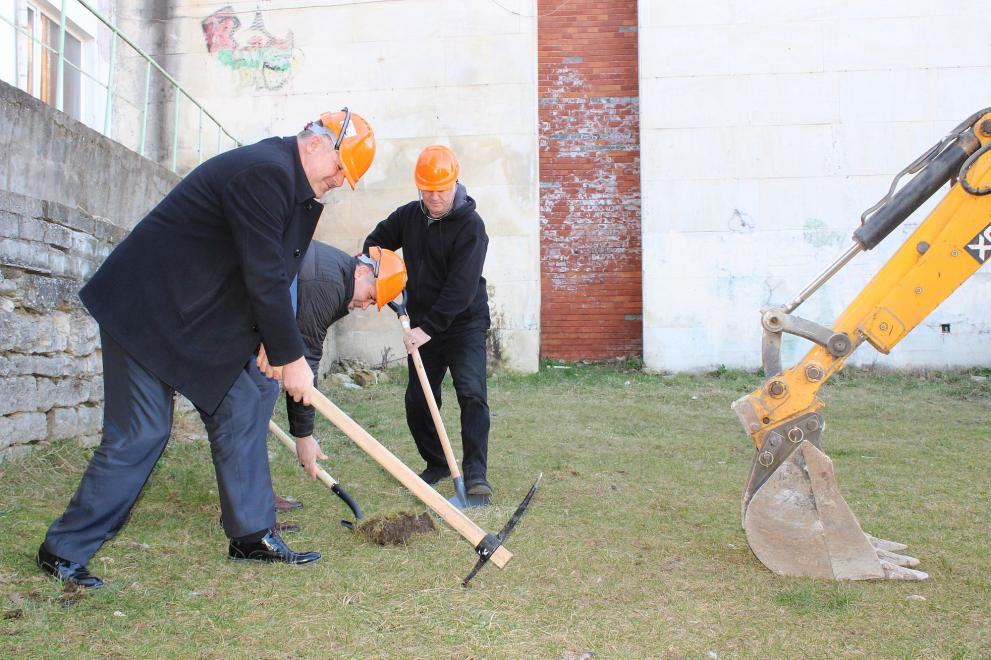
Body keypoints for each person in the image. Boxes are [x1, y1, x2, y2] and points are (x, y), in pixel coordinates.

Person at [36, 109, 376, 588]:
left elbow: (276, 272)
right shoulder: (265, 173)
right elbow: (262, 273)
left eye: (347, 177)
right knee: (143, 433)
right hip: (145, 310)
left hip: (193, 319)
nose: (339, 181)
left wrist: (270, 343)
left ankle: (252, 534)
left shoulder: (292, 187)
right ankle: (62, 551)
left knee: (249, 396)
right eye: (341, 168)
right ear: (317, 143)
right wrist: (291, 356)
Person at [362, 145, 493, 498]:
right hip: (421, 322)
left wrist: (427, 329)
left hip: (463, 322)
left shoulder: (471, 227)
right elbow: (374, 246)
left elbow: (461, 289)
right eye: (427, 190)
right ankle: (436, 463)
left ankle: (476, 474)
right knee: (418, 400)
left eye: (441, 190)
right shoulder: (409, 217)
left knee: (471, 393)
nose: (434, 197)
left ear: (455, 183)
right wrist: (385, 280)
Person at [270, 242, 407, 481]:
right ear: (361, 272)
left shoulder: (338, 274)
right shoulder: (327, 285)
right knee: (255, 400)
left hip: (260, 326)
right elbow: (306, 358)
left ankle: (256, 500)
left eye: (372, 303)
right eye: (370, 296)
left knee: (260, 395)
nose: (365, 306)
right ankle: (251, 507)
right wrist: (304, 437)